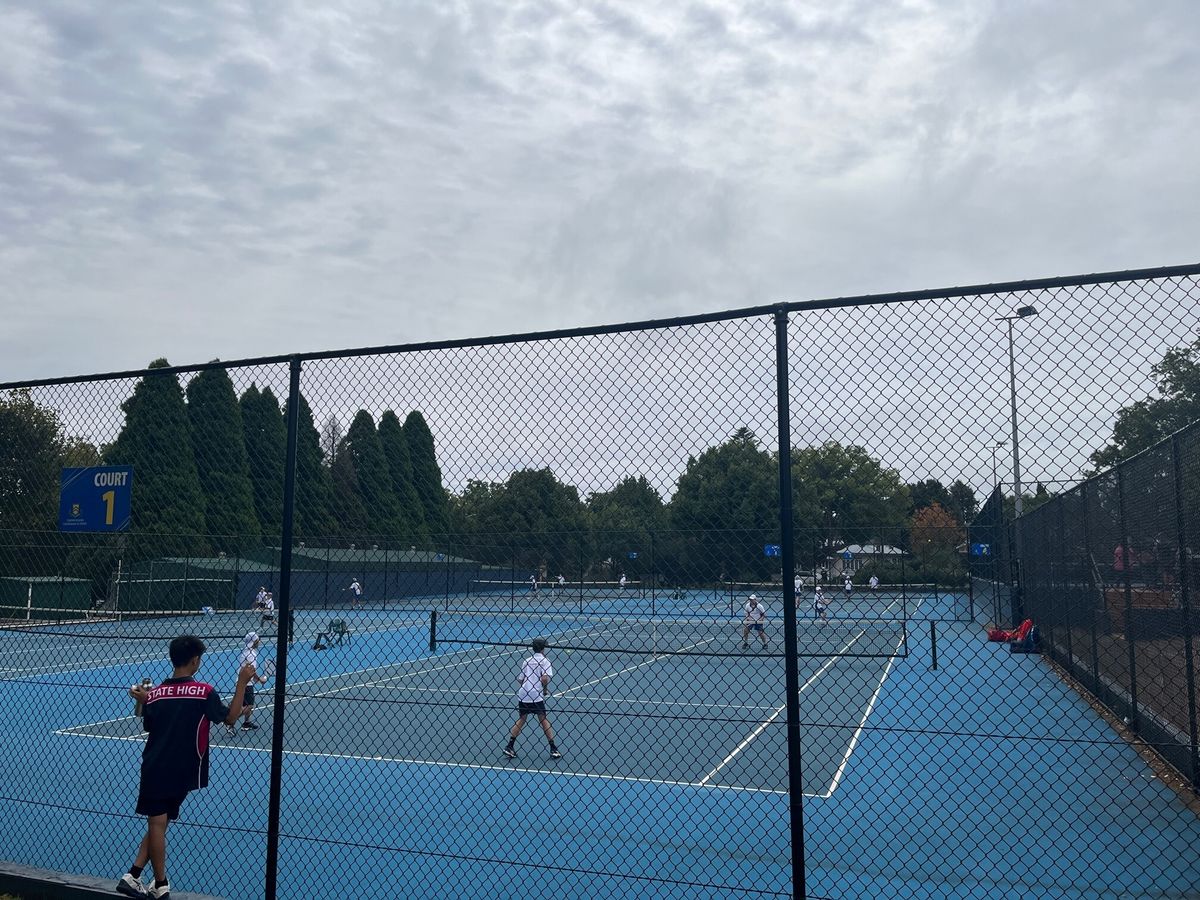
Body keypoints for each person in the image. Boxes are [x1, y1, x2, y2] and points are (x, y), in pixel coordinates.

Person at [118, 636, 255, 899]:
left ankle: (138, 878)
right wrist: (241, 682)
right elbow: (230, 717)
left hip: (156, 766)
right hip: (185, 768)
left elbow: (149, 725)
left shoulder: (155, 694)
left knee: (157, 823)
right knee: (160, 823)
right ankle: (155, 882)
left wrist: (146, 700)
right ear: (195, 661)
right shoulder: (204, 692)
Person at [503, 638, 561, 760]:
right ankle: (553, 748)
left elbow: (520, 679)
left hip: (524, 693)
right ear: (543, 648)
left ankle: (509, 745)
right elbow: (544, 678)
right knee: (543, 720)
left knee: (522, 719)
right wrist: (544, 690)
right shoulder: (545, 661)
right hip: (536, 695)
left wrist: (527, 686)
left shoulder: (527, 661)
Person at [235, 632, 269, 732]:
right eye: (257, 640)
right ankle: (230, 720)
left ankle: (246, 723)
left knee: (243, 704)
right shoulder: (251, 654)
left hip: (243, 681)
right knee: (249, 705)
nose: (259, 642)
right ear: (254, 642)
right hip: (245, 682)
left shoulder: (247, 651)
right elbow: (251, 669)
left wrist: (256, 679)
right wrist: (260, 679)